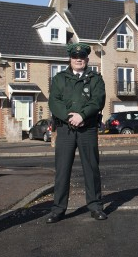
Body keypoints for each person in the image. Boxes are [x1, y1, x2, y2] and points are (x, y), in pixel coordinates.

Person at [46, 42, 107, 223]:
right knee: (62, 170)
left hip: (87, 128)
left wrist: (82, 115)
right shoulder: (59, 78)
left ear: (87, 59)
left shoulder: (96, 79)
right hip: (65, 130)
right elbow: (53, 101)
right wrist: (68, 117)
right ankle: (58, 209)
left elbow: (98, 101)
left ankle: (95, 206)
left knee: (91, 168)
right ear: (70, 59)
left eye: (81, 58)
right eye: (75, 57)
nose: (78, 60)